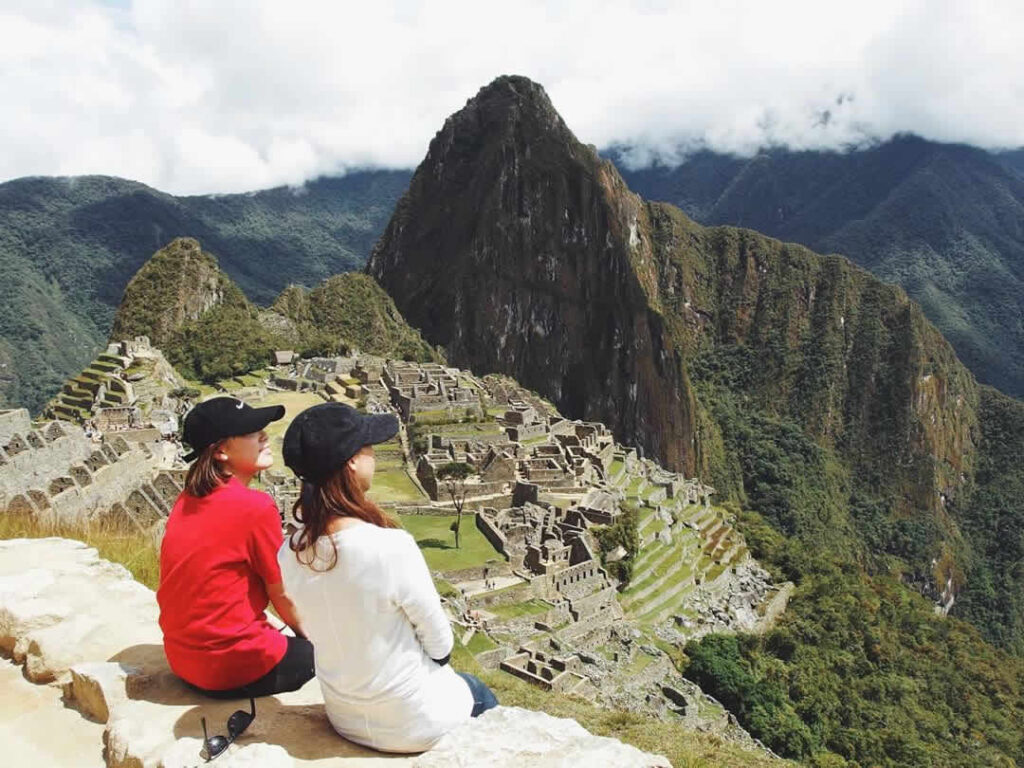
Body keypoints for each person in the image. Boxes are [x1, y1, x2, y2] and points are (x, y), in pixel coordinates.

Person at [277, 402, 498, 753]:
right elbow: (441, 645)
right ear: (352, 461)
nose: (374, 454)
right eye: (368, 446)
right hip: (415, 722)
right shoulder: (390, 547)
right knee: (479, 691)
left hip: (344, 718)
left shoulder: (289, 553)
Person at [157, 397, 314, 699]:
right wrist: (310, 638)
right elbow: (281, 592)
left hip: (182, 660)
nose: (264, 436)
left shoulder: (187, 499)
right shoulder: (254, 507)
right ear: (221, 451)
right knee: (328, 655)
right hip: (231, 666)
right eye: (252, 432)